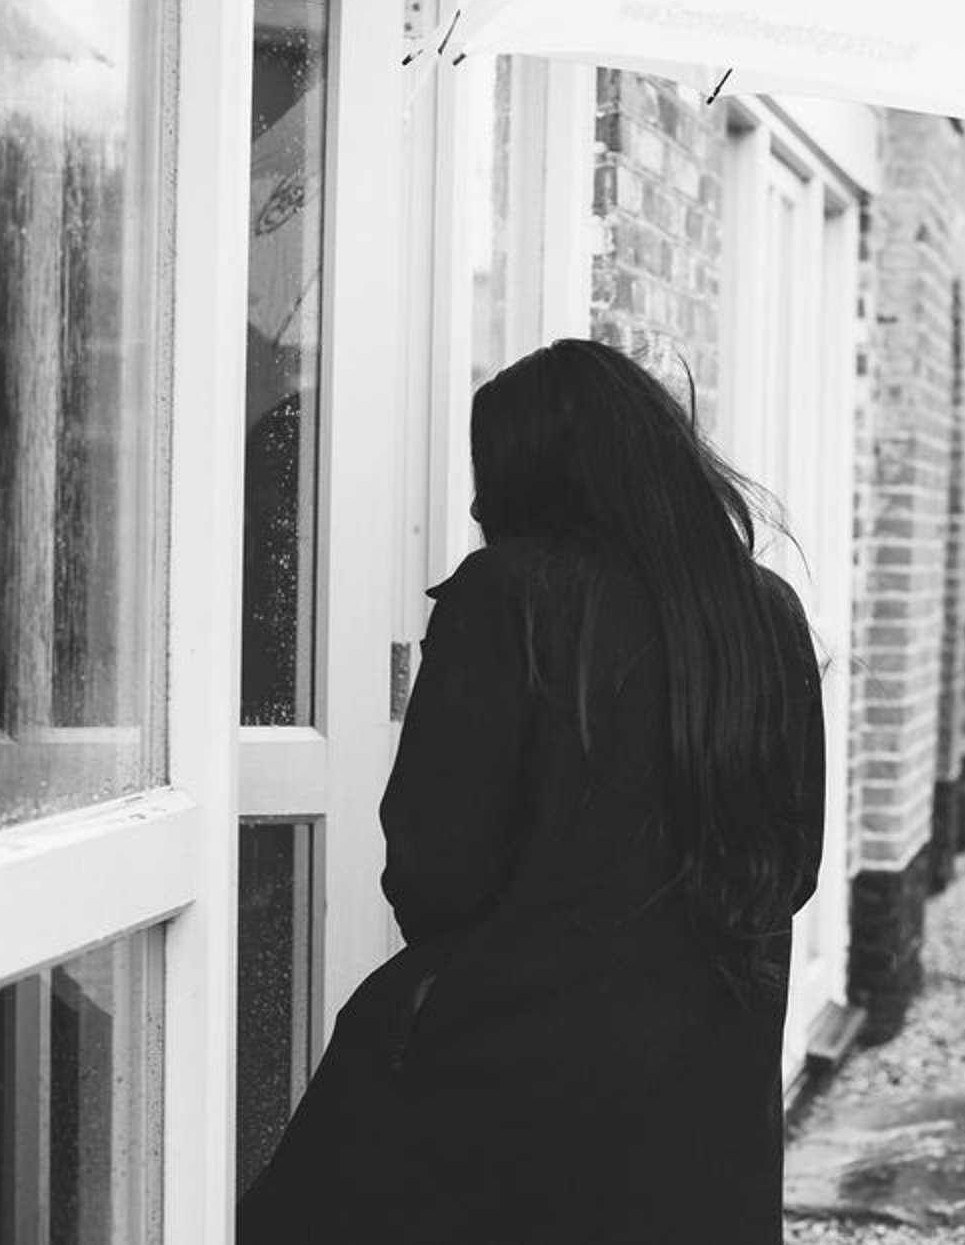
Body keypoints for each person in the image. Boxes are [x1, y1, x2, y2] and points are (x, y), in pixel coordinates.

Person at [238, 339, 827, 1244]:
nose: (478, 505)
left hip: (514, 1089)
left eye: (491, 472)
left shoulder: (506, 593)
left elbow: (435, 872)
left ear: (542, 472)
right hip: (708, 1103)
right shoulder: (767, 615)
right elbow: (793, 868)